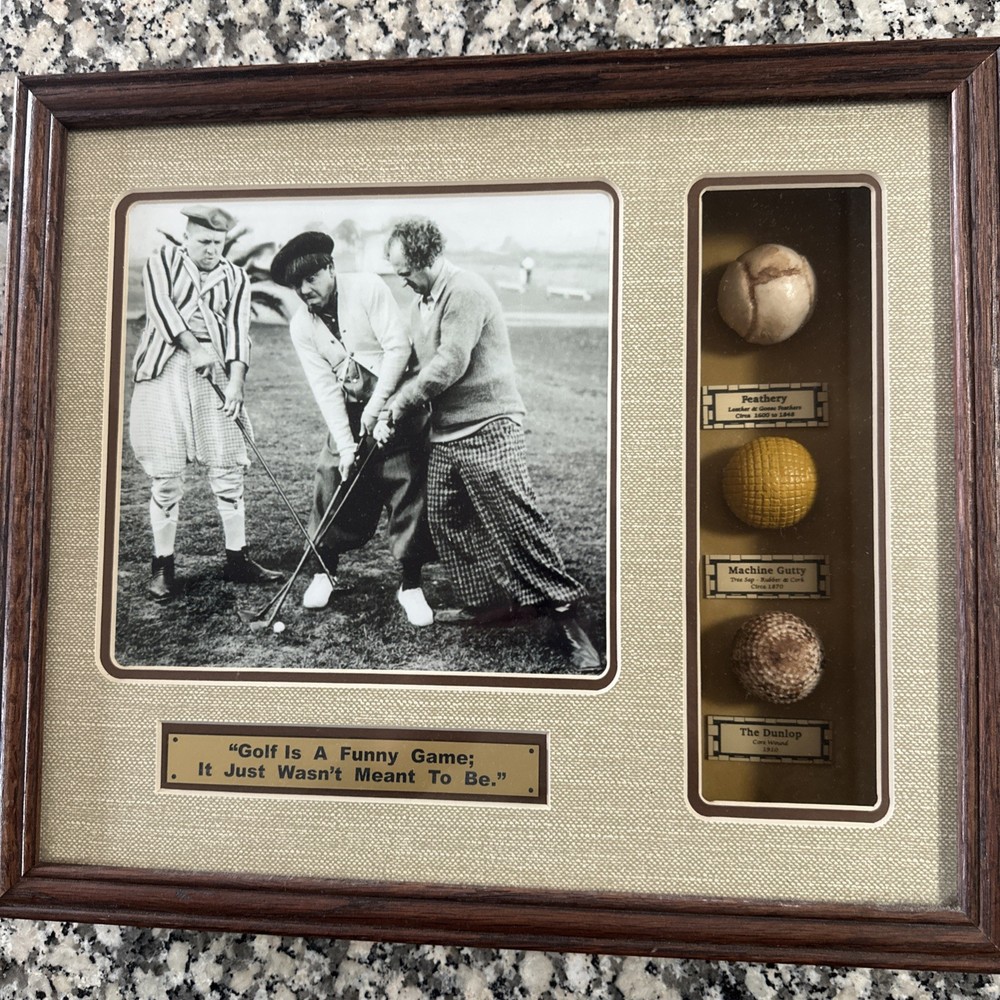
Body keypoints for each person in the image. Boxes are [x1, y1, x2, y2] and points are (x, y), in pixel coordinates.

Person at [381, 218, 601, 670]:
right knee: (447, 518)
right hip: (447, 432)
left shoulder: (466, 291)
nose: (402, 280)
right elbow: (418, 366)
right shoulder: (421, 303)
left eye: (405, 271)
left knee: (515, 521)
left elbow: (449, 363)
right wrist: (384, 406)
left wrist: (401, 403)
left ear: (427, 259)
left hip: (490, 423)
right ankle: (491, 604)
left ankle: (567, 619)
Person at [269, 231, 436, 626]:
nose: (304, 291)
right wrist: (346, 447)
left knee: (408, 486)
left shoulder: (366, 287)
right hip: (351, 410)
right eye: (296, 285)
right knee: (331, 476)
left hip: (399, 404)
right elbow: (325, 388)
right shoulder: (301, 325)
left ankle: (411, 585)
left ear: (330, 268)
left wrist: (378, 409)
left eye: (311, 279)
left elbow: (398, 348)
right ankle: (324, 573)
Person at [129, 204, 283, 602]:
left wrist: (236, 383)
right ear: (186, 238)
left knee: (228, 466)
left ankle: (238, 559)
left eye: (218, 242)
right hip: (164, 369)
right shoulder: (162, 261)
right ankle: (163, 567)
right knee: (166, 475)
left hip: (214, 369)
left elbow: (238, 330)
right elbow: (161, 310)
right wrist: (194, 348)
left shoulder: (236, 277)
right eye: (204, 242)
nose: (212, 250)